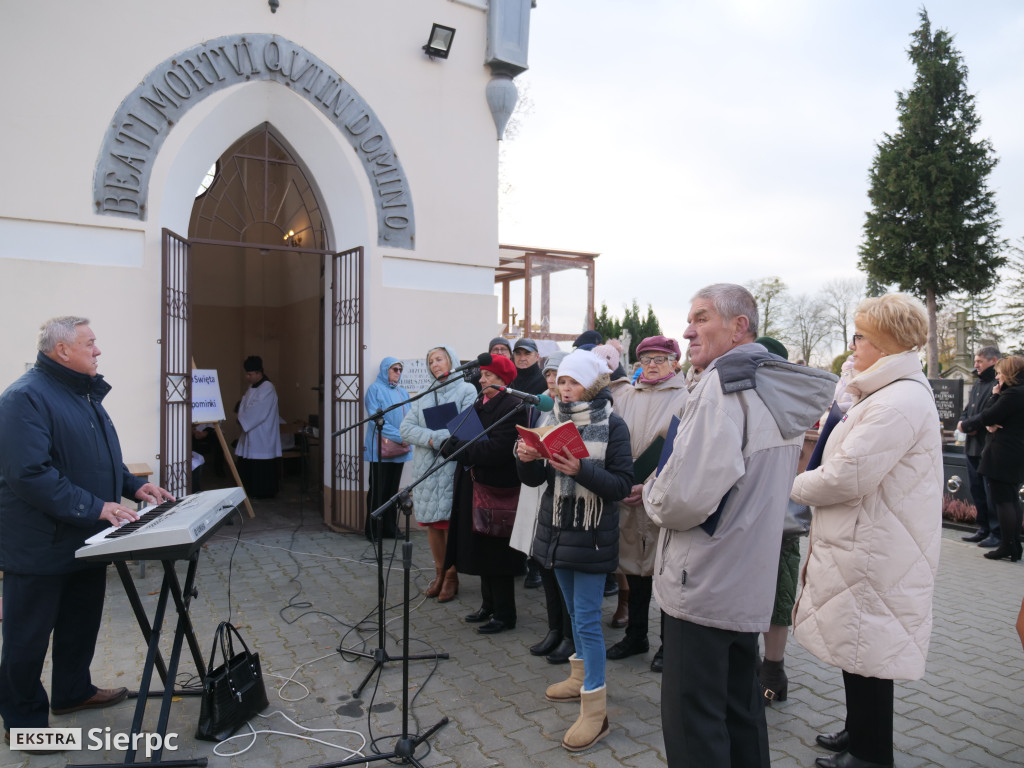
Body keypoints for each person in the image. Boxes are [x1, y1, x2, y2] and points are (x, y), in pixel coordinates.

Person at [643, 284, 835, 768]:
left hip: (702, 580)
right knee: (740, 712)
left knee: (696, 726)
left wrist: (650, 491)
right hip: (745, 580)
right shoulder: (771, 387)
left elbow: (684, 497)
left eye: (702, 317)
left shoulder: (722, 385)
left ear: (739, 326)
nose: (688, 329)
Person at [0, 316, 175, 740]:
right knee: (28, 639)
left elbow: (97, 461)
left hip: (86, 537)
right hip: (39, 546)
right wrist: (96, 506)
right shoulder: (24, 398)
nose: (98, 350)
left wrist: (135, 485)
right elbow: (30, 475)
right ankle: (23, 724)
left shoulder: (81, 393)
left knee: (81, 623)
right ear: (62, 351)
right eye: (90, 343)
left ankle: (72, 692)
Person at [792, 293, 942, 768]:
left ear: (884, 341)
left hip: (877, 546)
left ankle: (871, 754)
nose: (853, 345)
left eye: (859, 336)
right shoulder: (884, 391)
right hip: (869, 539)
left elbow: (847, 477)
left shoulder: (897, 400)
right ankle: (859, 730)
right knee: (857, 646)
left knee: (868, 649)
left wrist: (794, 483)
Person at [516, 349, 633, 752]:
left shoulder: (613, 425)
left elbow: (620, 485)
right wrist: (527, 457)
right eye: (561, 382)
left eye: (573, 383)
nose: (564, 390)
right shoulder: (552, 420)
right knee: (572, 611)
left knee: (585, 620)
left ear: (593, 384)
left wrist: (579, 469)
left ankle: (595, 712)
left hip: (593, 533)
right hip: (556, 529)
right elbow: (534, 481)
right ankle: (579, 676)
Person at [606, 335, 688, 674]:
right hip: (629, 496)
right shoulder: (626, 396)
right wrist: (623, 478)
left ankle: (670, 646)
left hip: (661, 498)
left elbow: (683, 450)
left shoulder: (686, 398)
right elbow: (615, 439)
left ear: (675, 363)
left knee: (663, 573)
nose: (652, 365)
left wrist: (650, 484)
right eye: (646, 359)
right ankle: (636, 634)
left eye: (660, 358)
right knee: (633, 570)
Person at [443, 355, 527, 633]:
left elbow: (498, 449)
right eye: (481, 376)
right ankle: (488, 605)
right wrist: (453, 441)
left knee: (496, 552)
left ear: (503, 380)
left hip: (497, 488)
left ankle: (505, 614)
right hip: (474, 483)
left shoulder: (513, 407)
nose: (481, 380)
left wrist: (458, 449)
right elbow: (470, 434)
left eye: (488, 376)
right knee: (480, 548)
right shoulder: (482, 401)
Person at [400, 345, 477, 602]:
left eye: (439, 359)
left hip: (451, 465)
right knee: (432, 524)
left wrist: (435, 438)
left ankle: (452, 576)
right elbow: (405, 429)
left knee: (448, 522)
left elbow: (465, 427)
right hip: (426, 467)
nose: (435, 365)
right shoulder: (423, 394)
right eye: (430, 361)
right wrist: (433, 439)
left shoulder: (467, 389)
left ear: (452, 360)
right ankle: (439, 572)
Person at [514, 350, 577, 662]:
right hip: (547, 502)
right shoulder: (546, 413)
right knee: (548, 567)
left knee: (565, 572)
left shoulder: (590, 416)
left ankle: (569, 634)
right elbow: (534, 477)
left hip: (574, 507)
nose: (553, 383)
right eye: (551, 377)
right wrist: (525, 455)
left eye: (561, 378)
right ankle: (554, 630)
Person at [752, 335, 802, 702]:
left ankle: (773, 668)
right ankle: (752, 665)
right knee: (748, 593)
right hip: (747, 517)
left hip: (780, 516)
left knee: (778, 596)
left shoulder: (796, 404)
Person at [961, 355, 1024, 562]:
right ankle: (1014, 545)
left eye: (1000, 373)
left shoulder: (1012, 394)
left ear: (1010, 374)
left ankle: (1006, 545)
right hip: (1015, 452)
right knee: (1012, 500)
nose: (997, 377)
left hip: (1003, 453)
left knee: (1003, 502)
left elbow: (988, 416)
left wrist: (995, 396)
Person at [363, 357, 412, 540]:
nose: (398, 373)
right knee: (377, 490)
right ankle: (373, 530)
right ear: (385, 370)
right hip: (380, 451)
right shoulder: (374, 389)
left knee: (392, 491)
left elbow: (411, 416)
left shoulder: (403, 392)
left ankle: (390, 529)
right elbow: (376, 418)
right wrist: (401, 436)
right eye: (394, 369)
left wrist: (409, 434)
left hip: (399, 451)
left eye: (400, 369)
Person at [958, 346, 1002, 548]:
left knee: (990, 493)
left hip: (988, 447)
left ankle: (996, 532)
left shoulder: (998, 383)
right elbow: (967, 410)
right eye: (976, 361)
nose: (976, 365)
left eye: (980, 361)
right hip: (972, 447)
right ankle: (983, 528)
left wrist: (968, 425)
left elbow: (990, 412)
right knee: (977, 491)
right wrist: (962, 422)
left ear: (993, 361)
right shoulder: (977, 384)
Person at [235, 355, 282, 499]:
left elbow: (259, 411)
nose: (247, 377)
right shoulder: (252, 387)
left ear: (258, 372)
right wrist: (242, 417)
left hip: (262, 434)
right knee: (247, 463)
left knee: (261, 464)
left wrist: (243, 420)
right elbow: (243, 405)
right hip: (250, 431)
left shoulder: (267, 387)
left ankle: (263, 492)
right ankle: (249, 489)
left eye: (250, 374)